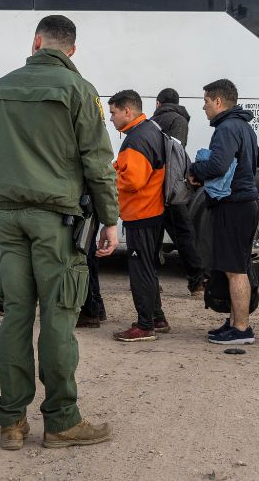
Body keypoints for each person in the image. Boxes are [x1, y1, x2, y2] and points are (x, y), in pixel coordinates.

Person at [0, 14, 119, 450]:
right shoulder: (79, 90)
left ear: (36, 42)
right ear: (72, 50)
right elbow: (96, 163)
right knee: (57, 316)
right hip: (57, 222)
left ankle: (11, 422)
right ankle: (61, 422)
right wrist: (110, 218)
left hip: (8, 219)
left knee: (15, 314)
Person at [187, 78, 259, 346]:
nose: (203, 107)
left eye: (205, 102)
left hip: (234, 205)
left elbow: (218, 165)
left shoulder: (227, 128)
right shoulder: (243, 126)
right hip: (243, 203)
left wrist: (195, 171)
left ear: (218, 101)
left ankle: (241, 329)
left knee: (235, 269)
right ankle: (233, 323)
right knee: (236, 266)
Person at [108, 90, 170, 342]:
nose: (111, 119)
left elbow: (132, 180)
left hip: (140, 213)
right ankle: (157, 318)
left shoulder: (136, 139)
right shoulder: (151, 130)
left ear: (127, 111)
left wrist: (110, 177)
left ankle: (145, 326)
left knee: (140, 271)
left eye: (113, 113)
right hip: (154, 211)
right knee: (148, 268)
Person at [150, 87, 206, 296]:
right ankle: (197, 282)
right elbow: (177, 153)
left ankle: (151, 281)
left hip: (153, 186)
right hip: (170, 189)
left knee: (153, 237)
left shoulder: (152, 122)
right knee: (184, 233)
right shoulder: (179, 121)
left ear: (158, 103)